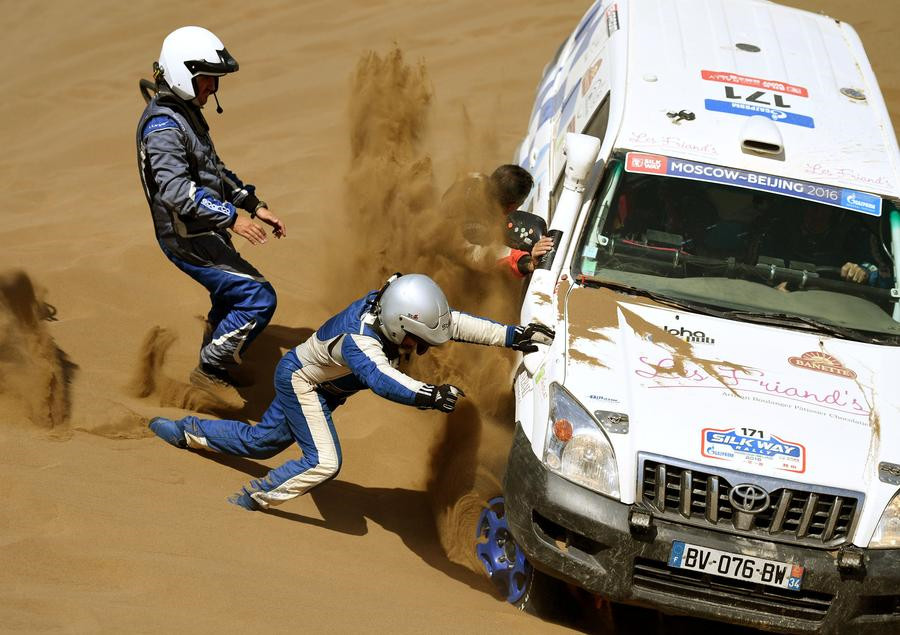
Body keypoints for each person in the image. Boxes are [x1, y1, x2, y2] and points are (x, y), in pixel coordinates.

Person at [148, 273, 555, 511]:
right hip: (302, 383)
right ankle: (251, 500)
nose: (418, 348)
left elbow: (449, 323)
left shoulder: (394, 303)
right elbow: (383, 380)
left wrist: (513, 336)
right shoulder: (361, 341)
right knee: (324, 462)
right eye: (415, 340)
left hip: (319, 385)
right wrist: (428, 394)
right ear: (398, 325)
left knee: (262, 442)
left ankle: (186, 432)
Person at [136, 26, 287, 389]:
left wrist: (253, 205)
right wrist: (232, 219)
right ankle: (211, 371)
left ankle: (214, 360)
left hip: (203, 227)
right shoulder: (163, 127)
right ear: (183, 73)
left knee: (229, 297)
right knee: (258, 297)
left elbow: (212, 170)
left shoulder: (185, 113)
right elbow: (174, 190)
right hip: (186, 236)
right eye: (207, 79)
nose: (212, 88)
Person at [448, 165, 554, 277]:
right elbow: (507, 259)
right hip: (454, 268)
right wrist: (531, 263)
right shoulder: (479, 237)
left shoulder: (473, 179)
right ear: (512, 207)